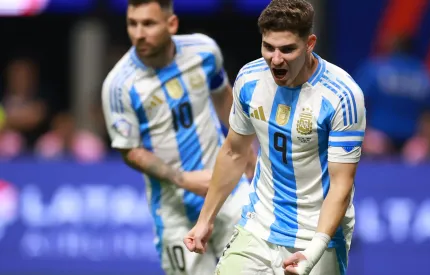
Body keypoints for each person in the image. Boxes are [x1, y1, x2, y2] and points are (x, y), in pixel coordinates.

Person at [184, 0, 366, 274]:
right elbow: (234, 152)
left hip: (316, 236)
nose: (276, 59)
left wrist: (313, 252)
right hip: (259, 225)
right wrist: (205, 220)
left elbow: (341, 185)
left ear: (310, 43)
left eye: (287, 49)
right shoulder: (249, 79)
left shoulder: (342, 95)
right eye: (268, 47)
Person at [101, 0, 253, 274]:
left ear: (171, 24)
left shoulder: (203, 51)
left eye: (148, 23)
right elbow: (130, 151)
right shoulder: (118, 84)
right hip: (174, 209)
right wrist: (182, 179)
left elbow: (225, 102)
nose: (138, 33)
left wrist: (250, 162)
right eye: (132, 24)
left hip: (230, 190)